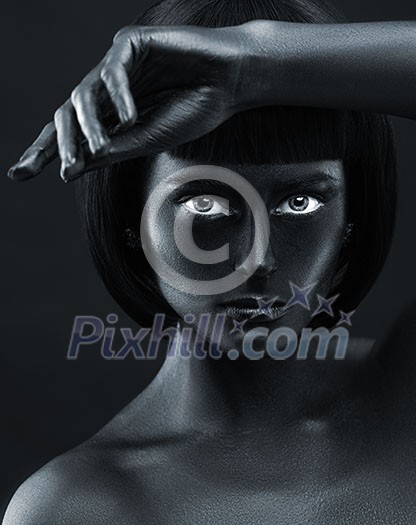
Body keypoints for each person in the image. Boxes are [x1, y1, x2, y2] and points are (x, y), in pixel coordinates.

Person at [4, 0, 416, 523]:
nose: (255, 258)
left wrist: (255, 62)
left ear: (352, 224)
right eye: (207, 205)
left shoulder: (407, 397)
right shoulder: (80, 509)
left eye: (299, 204)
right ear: (134, 224)